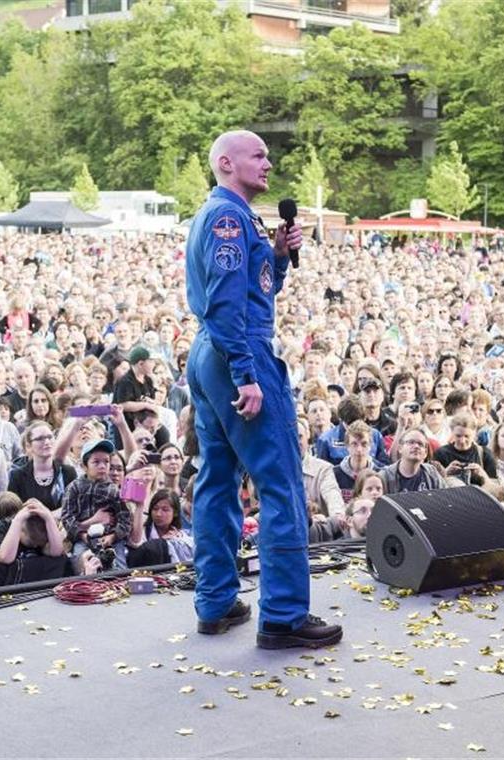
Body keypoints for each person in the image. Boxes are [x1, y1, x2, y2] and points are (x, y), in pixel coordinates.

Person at [184, 130, 340, 649]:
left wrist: (274, 254)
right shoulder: (229, 219)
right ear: (227, 163)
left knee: (217, 479)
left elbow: (249, 286)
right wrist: (248, 374)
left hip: (211, 353)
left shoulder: (227, 216)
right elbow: (228, 306)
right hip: (239, 351)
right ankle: (284, 614)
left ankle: (215, 601)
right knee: (281, 484)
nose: (269, 163)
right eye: (259, 155)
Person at [59, 439, 132, 569]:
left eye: (106, 461)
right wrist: (82, 535)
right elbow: (67, 517)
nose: (102, 466)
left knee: (119, 568)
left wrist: (113, 536)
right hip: (83, 539)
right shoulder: (74, 488)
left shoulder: (115, 490)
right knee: (80, 563)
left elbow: (125, 519)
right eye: (96, 462)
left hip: (111, 541)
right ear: (84, 466)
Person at [0, 498, 72, 584]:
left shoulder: (47, 530)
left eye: (40, 543)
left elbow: (56, 552)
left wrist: (48, 517)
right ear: (21, 530)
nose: (35, 547)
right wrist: (18, 520)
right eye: (32, 542)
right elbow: (5, 558)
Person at [378, 426, 443, 494]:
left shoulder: (432, 473)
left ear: (425, 453)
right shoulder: (385, 476)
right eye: (411, 442)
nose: (416, 446)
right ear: (400, 448)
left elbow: (445, 498)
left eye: (420, 444)